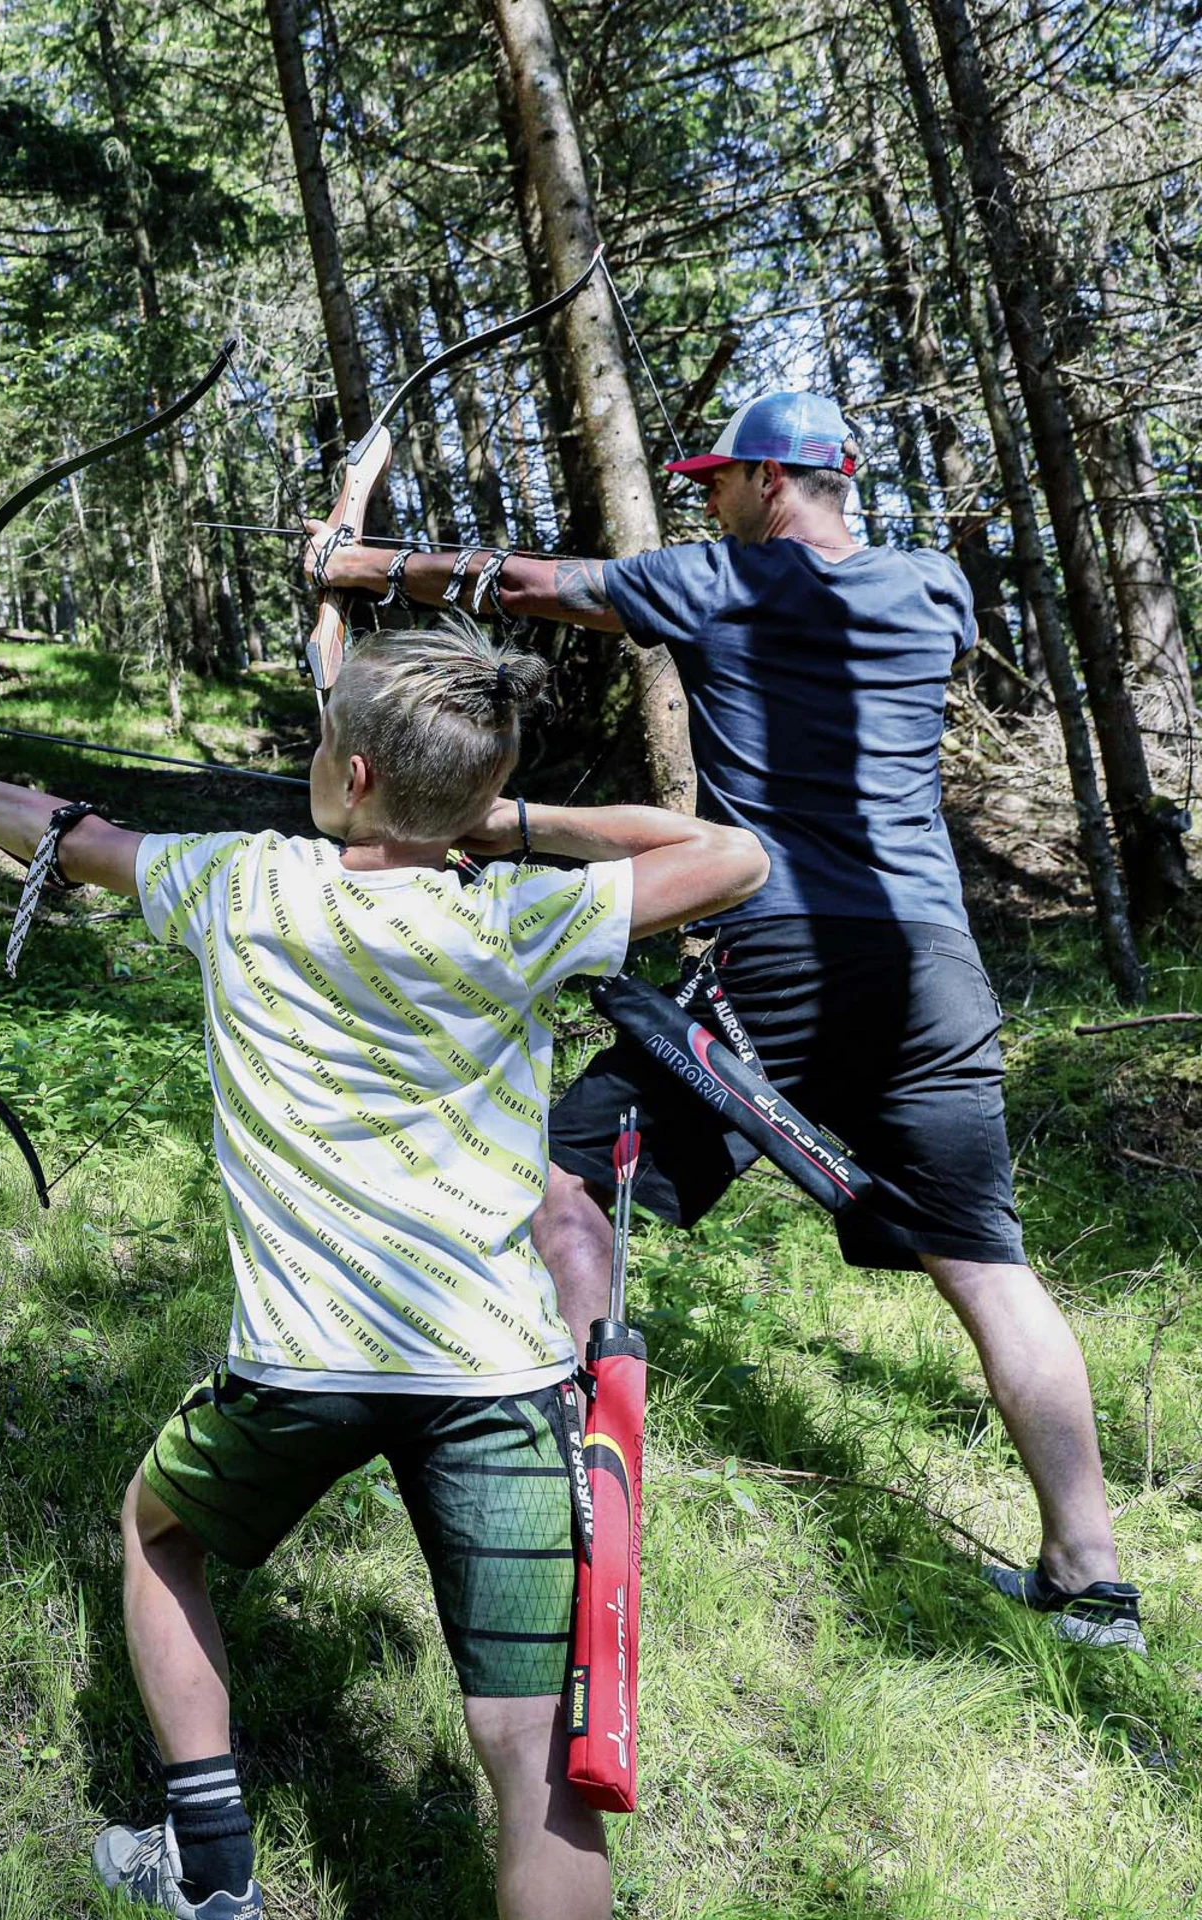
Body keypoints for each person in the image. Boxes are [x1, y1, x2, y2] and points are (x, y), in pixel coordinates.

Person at [0, 620, 768, 1920]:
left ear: (350, 775)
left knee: (156, 1534)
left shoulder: (242, 883)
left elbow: (73, 838)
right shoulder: (523, 913)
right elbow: (736, 857)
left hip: (298, 1373)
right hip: (496, 1378)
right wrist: (507, 823)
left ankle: (210, 1870)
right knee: (534, 1755)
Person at [311, 390, 1145, 1653]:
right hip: (933, 964)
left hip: (784, 952)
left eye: (718, 480)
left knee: (563, 1182)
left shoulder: (715, 582)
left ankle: (570, 1499)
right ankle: (1092, 1578)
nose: (707, 499)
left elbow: (528, 585)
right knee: (986, 1261)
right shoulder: (934, 591)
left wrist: (360, 564)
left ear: (770, 480)